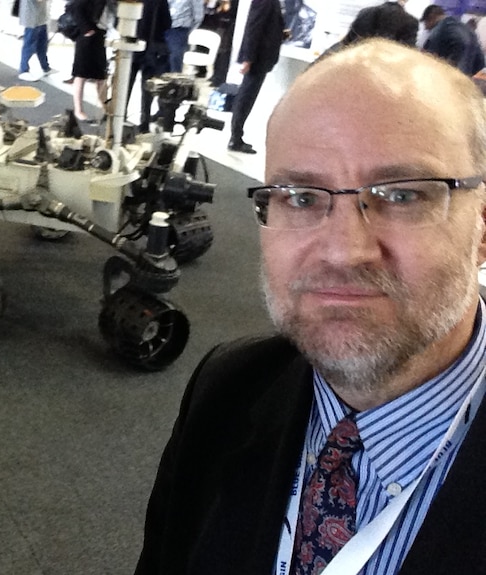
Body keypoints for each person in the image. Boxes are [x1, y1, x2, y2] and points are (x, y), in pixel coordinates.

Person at [135, 38, 486, 575]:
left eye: (404, 195)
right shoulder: (230, 386)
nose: (345, 252)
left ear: (482, 226)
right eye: (300, 197)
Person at [227, 0, 286, 154]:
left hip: (261, 57)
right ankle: (235, 138)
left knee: (247, 96)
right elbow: (254, 27)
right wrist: (248, 58)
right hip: (258, 58)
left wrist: (281, 34)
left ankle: (236, 136)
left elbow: (266, 27)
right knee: (246, 96)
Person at [126, 0, 171, 131]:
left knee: (126, 83)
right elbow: (166, 23)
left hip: (131, 43)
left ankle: (120, 116)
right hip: (151, 48)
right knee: (147, 88)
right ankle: (144, 122)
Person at [70, 0, 109, 122]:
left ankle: (106, 108)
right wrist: (87, 30)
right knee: (81, 74)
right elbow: (75, 7)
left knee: (101, 76)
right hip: (87, 36)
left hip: (99, 35)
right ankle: (78, 110)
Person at [422, 4, 486, 75]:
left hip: (451, 77)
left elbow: (426, 58)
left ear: (431, 17)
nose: (425, 28)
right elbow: (480, 62)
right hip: (467, 79)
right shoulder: (467, 29)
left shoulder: (439, 30)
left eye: (425, 23)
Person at [340, 0, 418, 47]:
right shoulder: (411, 22)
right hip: (383, 68)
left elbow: (347, 41)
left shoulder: (365, 12)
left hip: (355, 61)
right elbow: (407, 51)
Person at [165, 0, 204, 74]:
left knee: (175, 59)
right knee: (161, 61)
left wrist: (187, 29)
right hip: (163, 27)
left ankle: (174, 83)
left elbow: (198, 17)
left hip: (179, 29)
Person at [17, 0, 52, 81]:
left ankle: (45, 67)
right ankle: (23, 70)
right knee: (29, 44)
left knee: (42, 44)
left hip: (40, 16)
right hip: (31, 16)